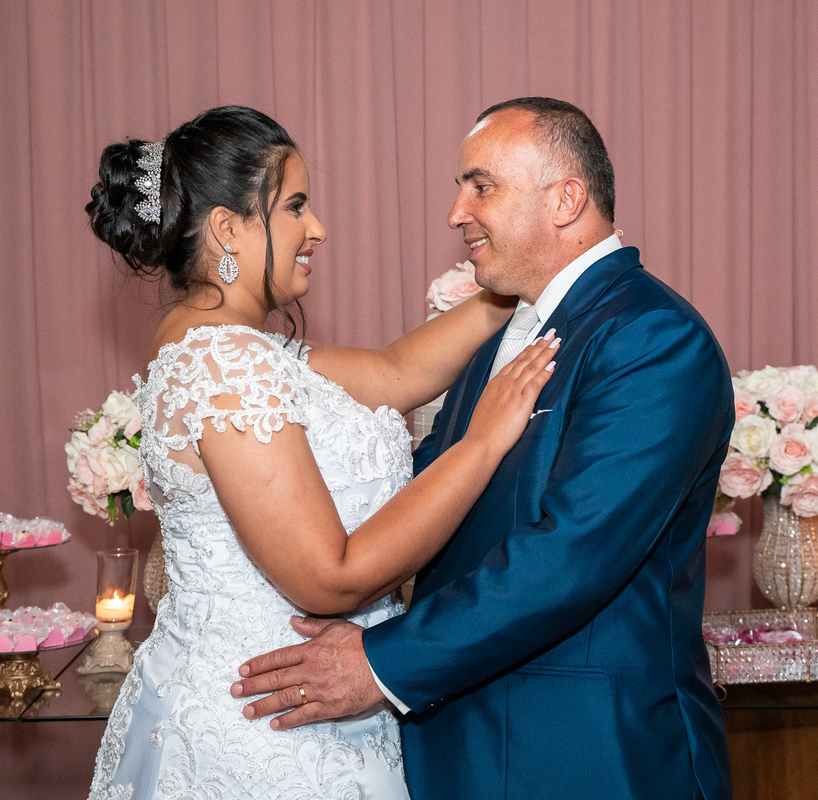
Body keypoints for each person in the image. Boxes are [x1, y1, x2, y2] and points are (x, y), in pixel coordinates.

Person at [233, 97, 735, 800]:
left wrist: (378, 663)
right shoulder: (509, 331)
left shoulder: (653, 339)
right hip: (465, 740)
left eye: (481, 186)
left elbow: (571, 555)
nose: (456, 213)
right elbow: (436, 492)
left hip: (585, 753)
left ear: (565, 199)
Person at [83, 105, 558, 800]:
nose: (317, 229)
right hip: (265, 737)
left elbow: (398, 371)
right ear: (227, 228)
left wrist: (523, 274)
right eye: (296, 206)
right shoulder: (223, 363)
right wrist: (482, 444)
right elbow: (327, 579)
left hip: (302, 709)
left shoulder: (235, 348)